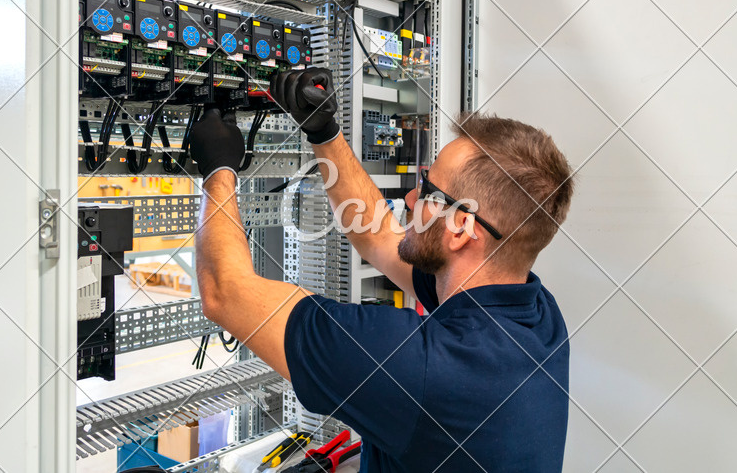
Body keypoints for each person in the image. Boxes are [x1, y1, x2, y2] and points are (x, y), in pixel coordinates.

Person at [189, 68, 575, 472]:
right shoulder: (537, 315)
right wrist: (323, 131)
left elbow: (224, 293)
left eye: (428, 191)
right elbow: (379, 236)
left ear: (462, 228)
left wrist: (218, 170)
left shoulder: (423, 368)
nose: (410, 198)